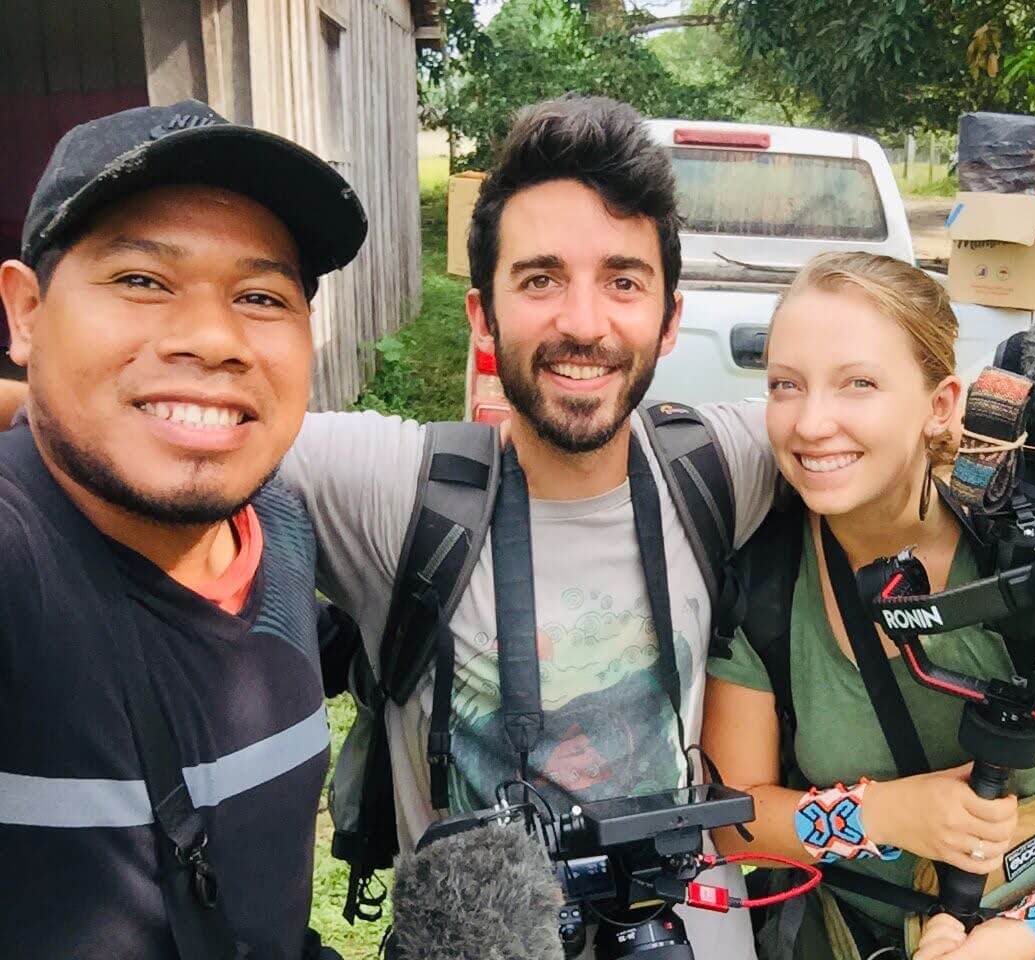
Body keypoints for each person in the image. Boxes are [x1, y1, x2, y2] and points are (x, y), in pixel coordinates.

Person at [279, 96, 773, 956]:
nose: (583, 323)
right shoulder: (395, 492)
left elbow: (893, 423)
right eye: (540, 280)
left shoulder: (718, 465)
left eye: (624, 281)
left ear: (669, 319)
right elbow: (164, 428)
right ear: (483, 316)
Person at [703, 252, 1035, 960]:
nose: (812, 422)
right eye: (785, 385)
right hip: (872, 933)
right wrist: (880, 814)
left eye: (859, 383)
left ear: (940, 404)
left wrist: (1029, 935)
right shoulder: (766, 581)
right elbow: (735, 819)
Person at [0, 101, 366, 959]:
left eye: (260, 296)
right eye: (141, 280)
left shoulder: (279, 523)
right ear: (25, 312)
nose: (212, 338)